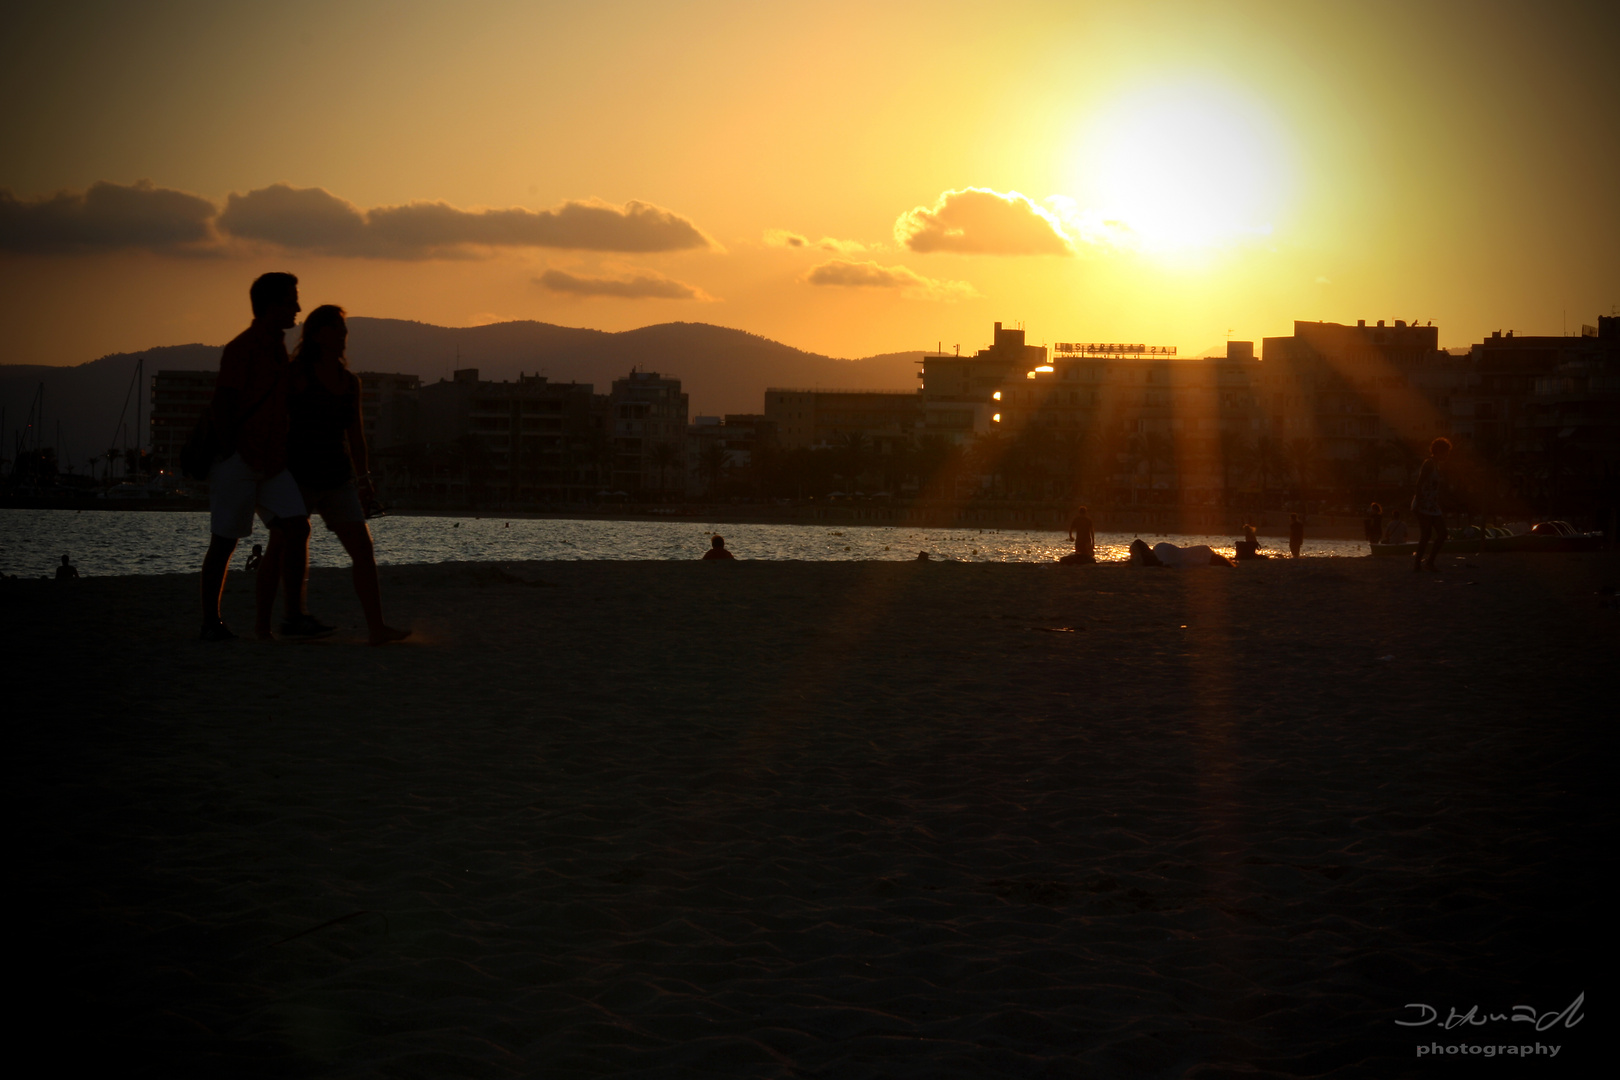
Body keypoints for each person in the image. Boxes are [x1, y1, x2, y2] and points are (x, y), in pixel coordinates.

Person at [257, 305, 409, 645]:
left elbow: (355, 435)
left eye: (344, 330)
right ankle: (266, 627)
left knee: (362, 550)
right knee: (282, 542)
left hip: (337, 476)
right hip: (296, 475)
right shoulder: (296, 374)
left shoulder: (348, 382)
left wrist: (364, 479)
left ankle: (377, 628)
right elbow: (276, 421)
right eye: (338, 329)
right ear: (318, 334)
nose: (344, 335)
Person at [198, 273, 324, 642]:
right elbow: (223, 402)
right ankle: (211, 622)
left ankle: (293, 616)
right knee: (224, 542)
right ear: (272, 306)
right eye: (291, 301)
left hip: (271, 461)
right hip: (240, 459)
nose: (298, 308)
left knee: (297, 526)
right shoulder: (243, 347)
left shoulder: (277, 347)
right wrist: (233, 449)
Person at [1411, 437, 1451, 572]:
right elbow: (1419, 482)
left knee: (1443, 533)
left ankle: (1429, 562)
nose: (1447, 455)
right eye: (1446, 452)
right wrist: (1419, 502)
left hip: (1433, 506)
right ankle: (1417, 564)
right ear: (1439, 451)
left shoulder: (1437, 465)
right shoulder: (1428, 463)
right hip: (1423, 504)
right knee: (1426, 535)